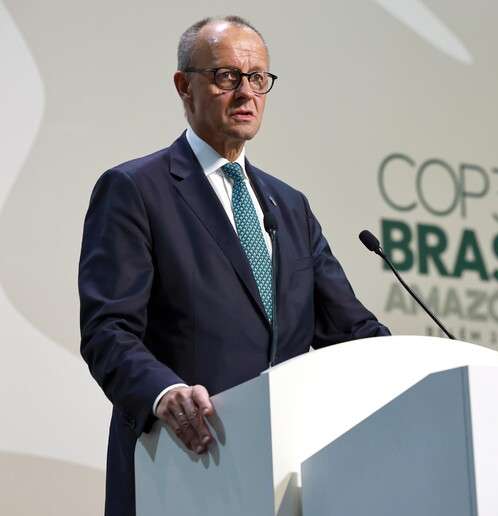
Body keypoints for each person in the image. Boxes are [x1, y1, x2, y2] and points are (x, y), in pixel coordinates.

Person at [78, 15, 390, 516]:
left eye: (258, 79)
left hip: (285, 481)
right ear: (184, 86)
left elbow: (350, 329)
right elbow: (107, 330)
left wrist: (426, 372)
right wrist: (164, 392)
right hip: (181, 468)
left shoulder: (290, 206)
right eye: (227, 77)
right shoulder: (136, 189)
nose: (246, 93)